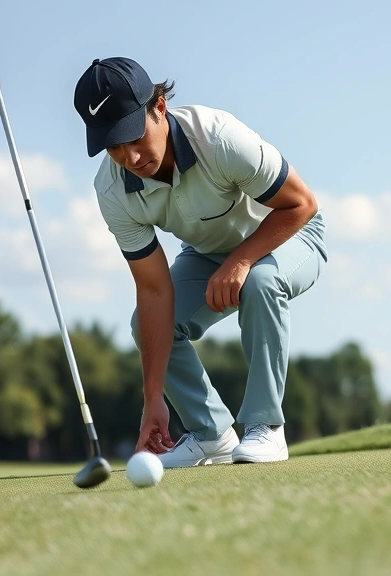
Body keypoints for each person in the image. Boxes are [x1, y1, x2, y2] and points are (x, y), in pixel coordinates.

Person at [73, 57, 327, 467]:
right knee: (148, 322)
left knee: (259, 281)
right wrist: (153, 398)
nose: (130, 157)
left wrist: (242, 260)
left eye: (134, 137)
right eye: (114, 146)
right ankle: (211, 435)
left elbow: (301, 204)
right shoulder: (112, 191)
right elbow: (155, 290)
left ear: (159, 107)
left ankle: (267, 428)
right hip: (209, 253)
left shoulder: (218, 138)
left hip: (291, 232)